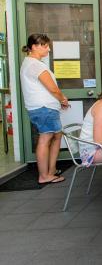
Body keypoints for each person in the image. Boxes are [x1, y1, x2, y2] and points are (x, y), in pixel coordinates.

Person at [20, 34, 69, 184]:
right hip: (44, 108)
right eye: (45, 45)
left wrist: (58, 99)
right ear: (34, 47)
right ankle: (44, 175)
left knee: (56, 135)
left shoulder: (31, 63)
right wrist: (62, 99)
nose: (48, 49)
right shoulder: (34, 64)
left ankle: (51, 170)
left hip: (45, 108)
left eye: (48, 45)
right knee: (46, 138)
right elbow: (52, 88)